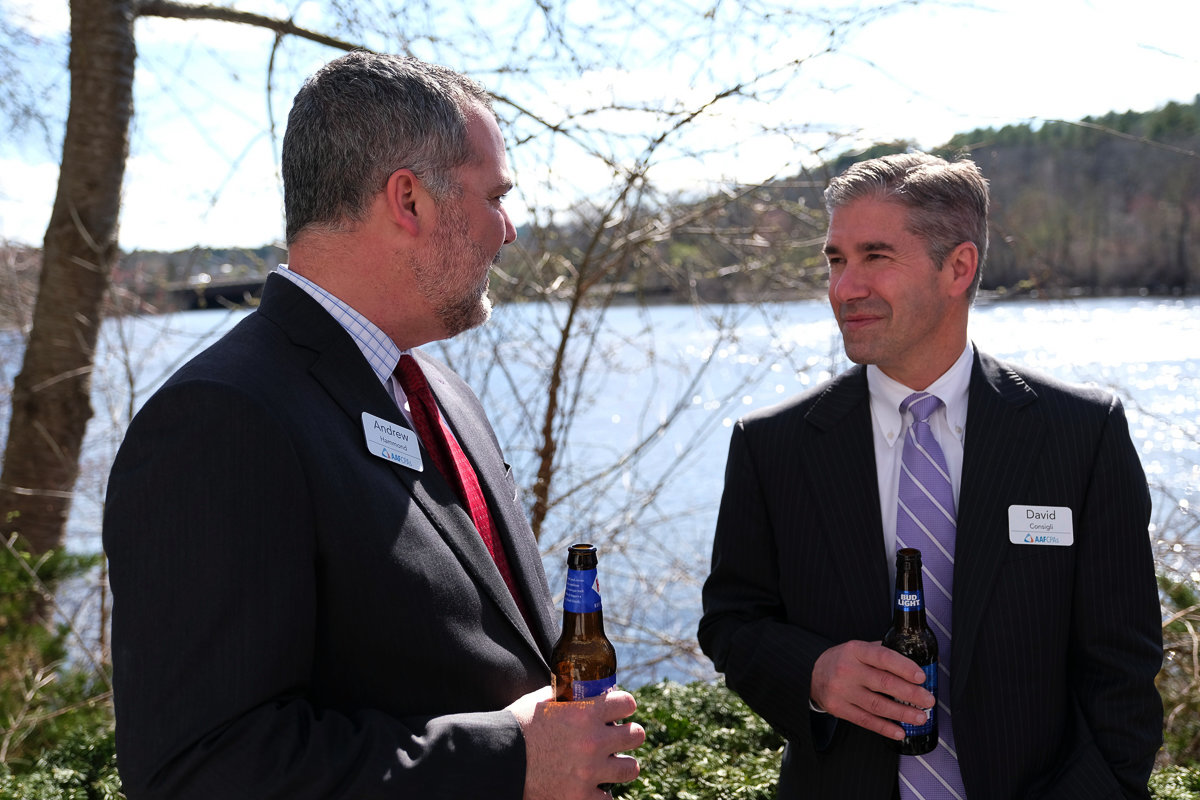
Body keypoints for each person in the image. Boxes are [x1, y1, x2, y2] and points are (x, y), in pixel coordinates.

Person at [103, 51, 643, 800]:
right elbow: (198, 770)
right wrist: (509, 759)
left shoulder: (440, 392)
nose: (510, 230)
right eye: (495, 196)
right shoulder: (220, 419)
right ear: (409, 200)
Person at [698, 152, 1162, 799]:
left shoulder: (1081, 434)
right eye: (836, 260)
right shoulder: (772, 446)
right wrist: (815, 672)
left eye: (875, 256)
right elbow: (732, 622)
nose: (844, 288)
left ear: (958, 268)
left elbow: (1123, 669)